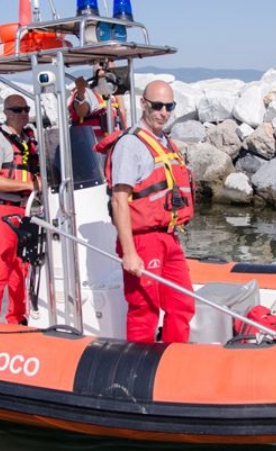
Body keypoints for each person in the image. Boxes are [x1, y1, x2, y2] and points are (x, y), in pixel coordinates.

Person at [108, 80, 196, 343]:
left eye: (169, 106)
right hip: (143, 240)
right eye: (157, 106)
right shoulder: (131, 144)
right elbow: (119, 200)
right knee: (144, 308)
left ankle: (174, 362)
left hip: (168, 237)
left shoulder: (165, 142)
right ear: (143, 104)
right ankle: (138, 370)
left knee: (182, 303)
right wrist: (130, 253)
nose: (164, 112)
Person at [0, 94, 40, 325]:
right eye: (17, 109)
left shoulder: (27, 140)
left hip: (23, 210)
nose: (22, 113)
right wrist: (31, 185)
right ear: (6, 112)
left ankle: (17, 319)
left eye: (25, 109)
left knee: (20, 268)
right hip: (0, 210)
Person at [69, 62, 126, 138]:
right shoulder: (87, 92)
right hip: (91, 142)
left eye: (113, 71)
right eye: (108, 71)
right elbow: (81, 112)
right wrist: (81, 92)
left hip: (113, 141)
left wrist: (120, 103)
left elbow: (122, 120)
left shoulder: (113, 96)